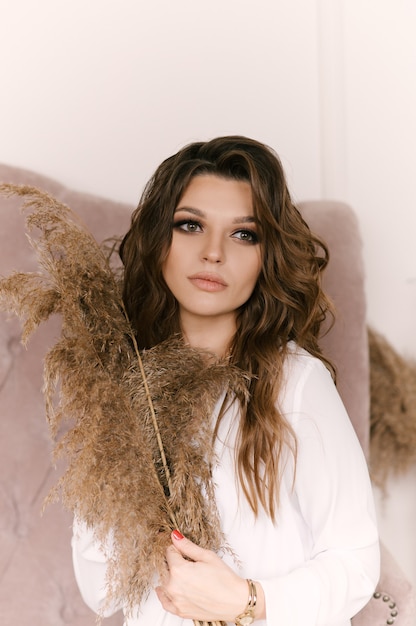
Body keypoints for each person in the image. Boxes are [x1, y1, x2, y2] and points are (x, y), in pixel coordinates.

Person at [71, 136, 380, 626]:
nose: (213, 252)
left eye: (244, 234)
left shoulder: (295, 382)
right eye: (190, 225)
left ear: (266, 257)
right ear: (159, 242)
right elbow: (100, 592)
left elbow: (358, 563)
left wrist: (245, 601)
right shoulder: (127, 392)